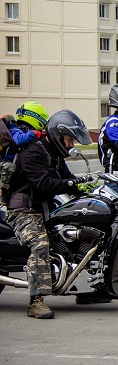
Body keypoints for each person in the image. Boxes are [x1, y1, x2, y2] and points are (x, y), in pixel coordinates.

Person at [6, 109, 92, 318]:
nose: (71, 144)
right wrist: (73, 183)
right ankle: (36, 301)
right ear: (57, 133)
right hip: (24, 210)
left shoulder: (53, 154)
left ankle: (96, 288)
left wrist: (87, 187)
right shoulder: (33, 152)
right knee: (40, 244)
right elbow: (45, 184)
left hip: (44, 209)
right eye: (69, 139)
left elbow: (67, 178)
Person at [0, 107, 45, 205]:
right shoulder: (15, 128)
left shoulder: (19, 128)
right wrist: (34, 133)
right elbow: (19, 140)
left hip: (12, 161)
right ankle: (2, 196)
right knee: (9, 168)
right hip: (7, 162)